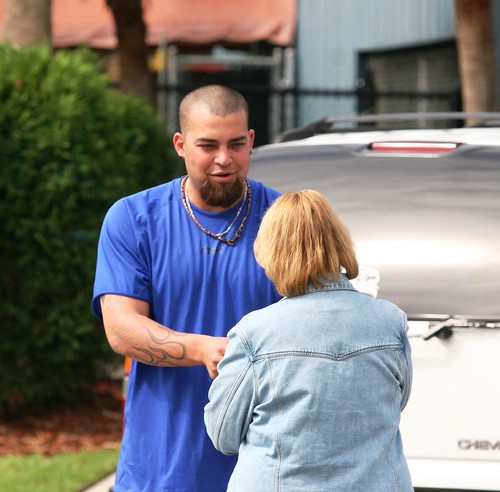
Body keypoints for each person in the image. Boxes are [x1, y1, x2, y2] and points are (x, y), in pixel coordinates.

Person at [92, 85, 282, 491]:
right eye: (207, 145)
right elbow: (120, 328)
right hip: (161, 468)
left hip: (264, 466)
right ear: (180, 144)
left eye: (235, 144)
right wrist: (204, 350)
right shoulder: (134, 218)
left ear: (251, 141)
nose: (223, 159)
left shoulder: (284, 220)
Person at [204, 190, 413, 491]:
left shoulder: (254, 333)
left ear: (271, 252)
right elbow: (396, 403)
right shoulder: (391, 322)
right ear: (338, 241)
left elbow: (222, 433)